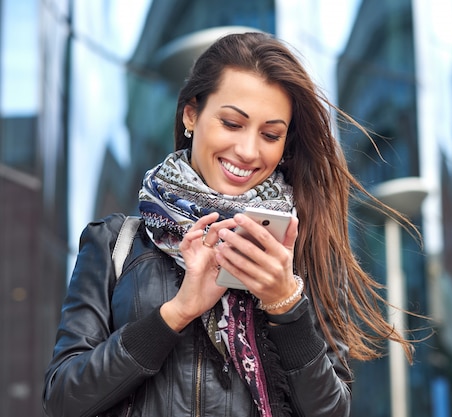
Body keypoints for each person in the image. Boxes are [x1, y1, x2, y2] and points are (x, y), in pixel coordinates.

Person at [42, 32, 421, 417]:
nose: (248, 150)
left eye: (270, 134)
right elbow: (63, 399)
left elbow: (331, 411)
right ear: (192, 114)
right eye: (232, 123)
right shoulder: (115, 243)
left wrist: (284, 303)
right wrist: (177, 312)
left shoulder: (298, 252)